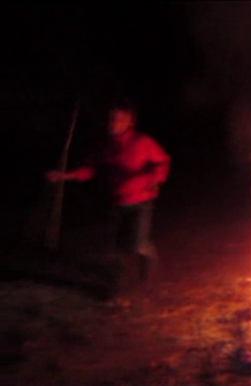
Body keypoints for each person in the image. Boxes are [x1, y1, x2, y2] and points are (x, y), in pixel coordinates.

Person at [46, 101, 170, 281]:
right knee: (117, 246)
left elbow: (162, 160)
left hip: (141, 200)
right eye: (111, 119)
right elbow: (89, 169)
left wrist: (156, 179)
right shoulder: (106, 147)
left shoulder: (142, 142)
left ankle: (148, 256)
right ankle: (117, 284)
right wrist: (63, 176)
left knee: (137, 244)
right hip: (118, 201)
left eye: (119, 119)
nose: (113, 123)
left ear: (130, 122)